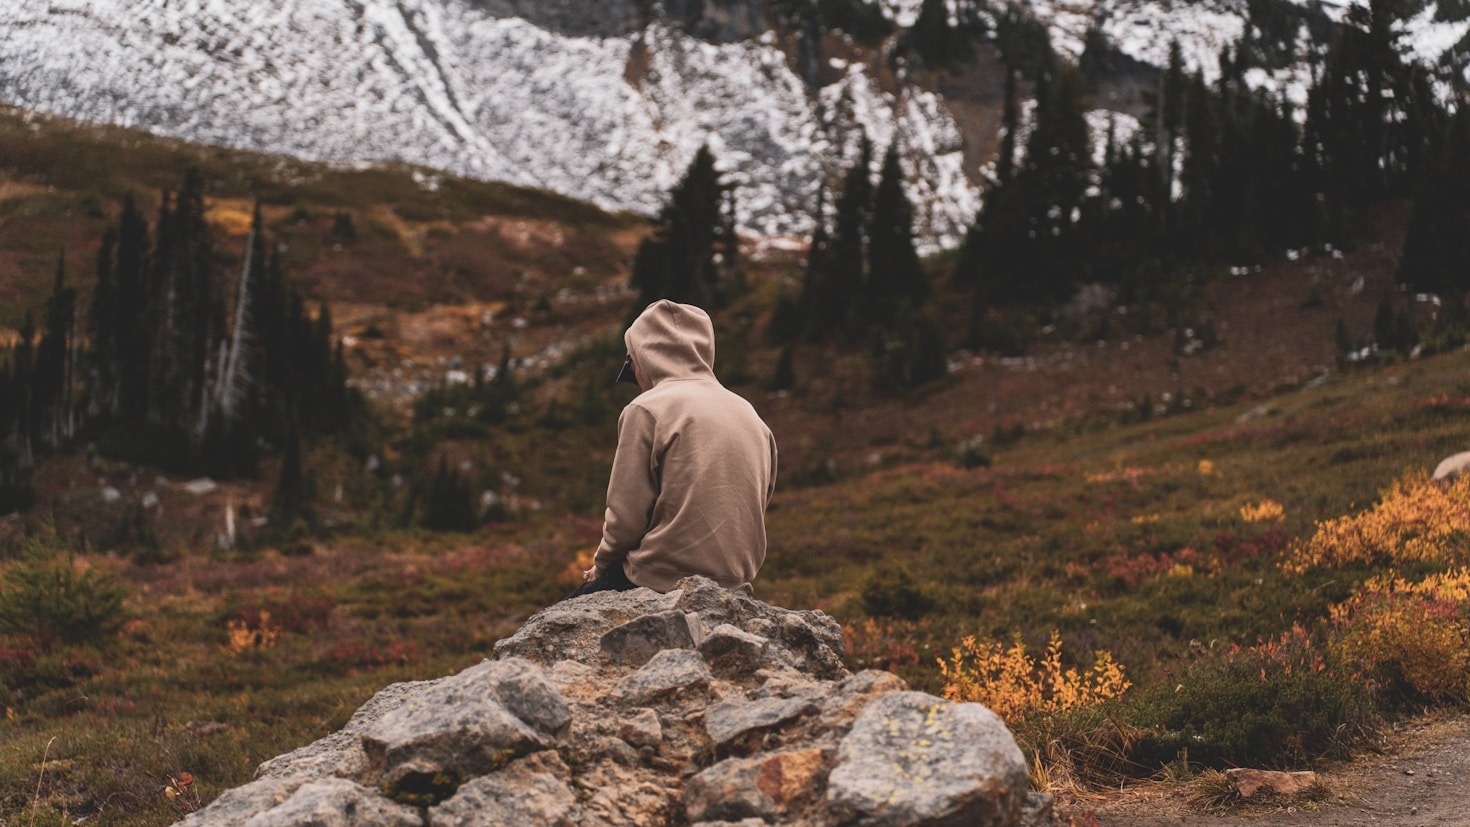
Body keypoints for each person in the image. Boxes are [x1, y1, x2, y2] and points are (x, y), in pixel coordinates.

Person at [568, 299, 777, 598]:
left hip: (661, 577)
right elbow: (757, 499)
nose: (635, 379)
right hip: (734, 581)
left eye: (630, 366)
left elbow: (626, 517)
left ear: (643, 358)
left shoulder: (646, 409)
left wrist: (601, 567)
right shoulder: (750, 414)